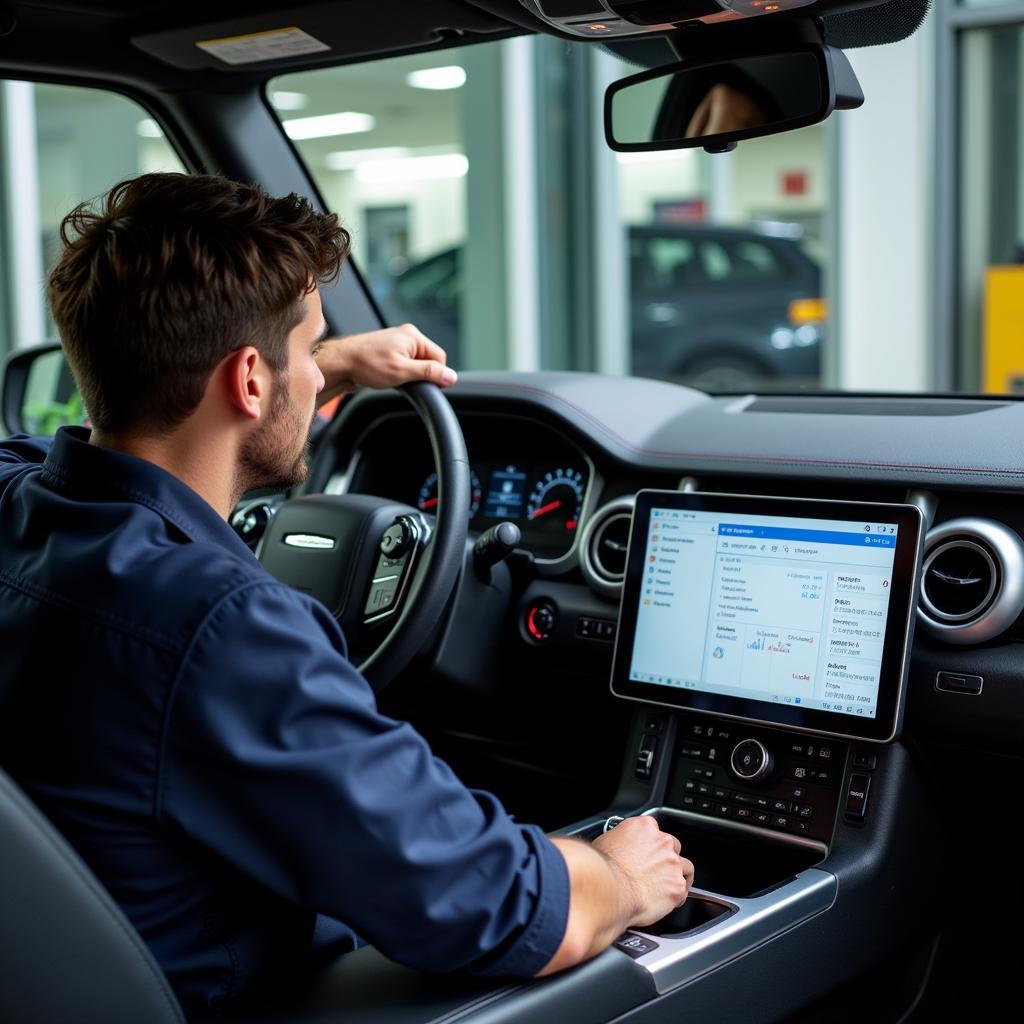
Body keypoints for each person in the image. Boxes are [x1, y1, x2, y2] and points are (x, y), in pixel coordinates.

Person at [0, 173, 694, 1016]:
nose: (317, 374)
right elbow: (498, 908)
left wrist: (318, 366)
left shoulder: (19, 506)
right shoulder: (225, 627)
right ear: (249, 380)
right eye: (309, 345)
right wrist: (620, 876)